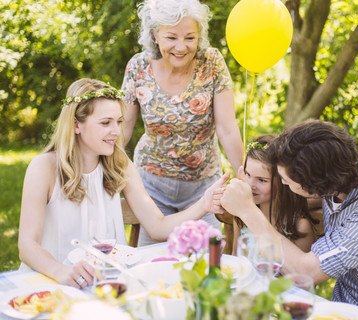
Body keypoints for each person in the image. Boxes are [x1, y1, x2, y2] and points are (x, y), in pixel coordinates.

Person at [219, 120, 358, 319]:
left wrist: (248, 211)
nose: (284, 184)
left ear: (317, 185)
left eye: (286, 182)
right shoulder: (339, 177)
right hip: (343, 309)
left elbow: (306, 272)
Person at [18, 78, 229, 289]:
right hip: (50, 282)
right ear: (76, 125)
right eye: (105, 123)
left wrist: (204, 204)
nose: (116, 131)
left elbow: (157, 226)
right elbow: (27, 246)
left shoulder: (119, 164)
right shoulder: (44, 168)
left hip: (104, 283)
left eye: (118, 122)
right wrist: (61, 272)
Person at [121, 0, 243, 246]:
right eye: (171, 38)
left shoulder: (212, 62)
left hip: (204, 189)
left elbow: (227, 130)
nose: (181, 47)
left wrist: (246, 176)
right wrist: (103, 172)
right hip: (150, 188)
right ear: (155, 35)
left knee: (209, 265)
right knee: (151, 268)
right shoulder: (138, 66)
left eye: (190, 37)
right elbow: (121, 130)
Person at [233, 135, 317, 253]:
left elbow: (302, 270)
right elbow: (235, 259)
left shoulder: (298, 226)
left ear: (284, 182)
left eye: (262, 180)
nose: (250, 185)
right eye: (247, 174)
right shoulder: (242, 215)